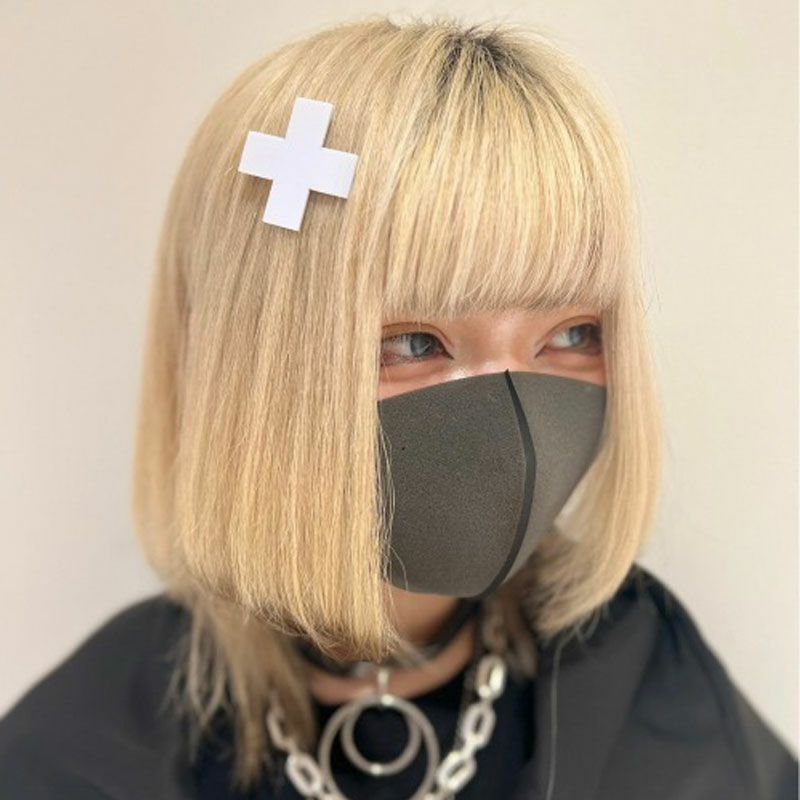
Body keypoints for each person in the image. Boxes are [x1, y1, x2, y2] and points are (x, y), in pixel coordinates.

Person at [0, 14, 796, 800]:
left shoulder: (648, 686)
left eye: (571, 334)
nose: (514, 420)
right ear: (249, 367)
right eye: (416, 342)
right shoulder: (85, 754)